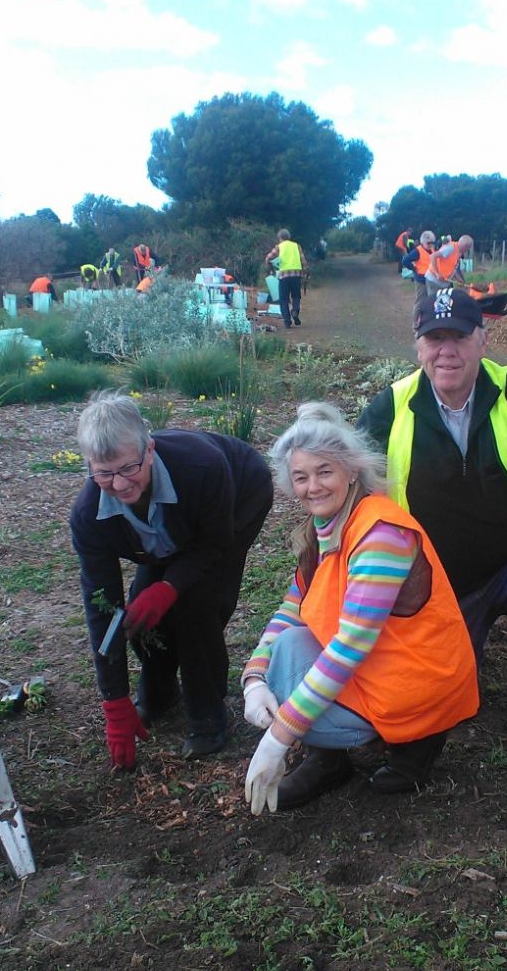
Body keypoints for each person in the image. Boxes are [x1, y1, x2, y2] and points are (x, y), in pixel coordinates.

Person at [358, 288, 507, 758]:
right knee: (444, 694)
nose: (446, 350)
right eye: (435, 338)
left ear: (482, 341)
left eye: (459, 337)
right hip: (439, 579)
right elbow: (350, 463)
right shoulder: (393, 404)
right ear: (418, 346)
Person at [242, 404, 479, 814]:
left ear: (351, 470)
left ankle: (418, 739)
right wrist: (254, 677)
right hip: (384, 665)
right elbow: (293, 605)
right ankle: (328, 761)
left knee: (304, 676)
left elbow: (351, 644)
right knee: (287, 648)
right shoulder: (325, 527)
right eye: (300, 477)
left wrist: (278, 738)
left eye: (324, 472)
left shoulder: (380, 532)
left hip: (419, 676)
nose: (312, 487)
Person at [68, 391, 273, 766]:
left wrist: (170, 586)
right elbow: (103, 608)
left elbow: (212, 545)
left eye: (128, 468)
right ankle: (159, 693)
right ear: (89, 466)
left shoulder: (202, 466)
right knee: (140, 614)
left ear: (149, 450)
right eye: (103, 473)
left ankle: (207, 716)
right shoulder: (88, 518)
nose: (119, 484)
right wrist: (114, 700)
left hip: (237, 497)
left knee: (197, 604)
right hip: (168, 531)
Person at [265, 229, 306, 328]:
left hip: (283, 276)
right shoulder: (297, 246)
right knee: (296, 296)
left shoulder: (279, 247)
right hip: (296, 275)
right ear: (289, 237)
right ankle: (295, 311)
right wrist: (305, 272)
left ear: (280, 238)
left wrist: (271, 269)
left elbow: (268, 258)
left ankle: (287, 322)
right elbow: (303, 261)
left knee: (283, 299)